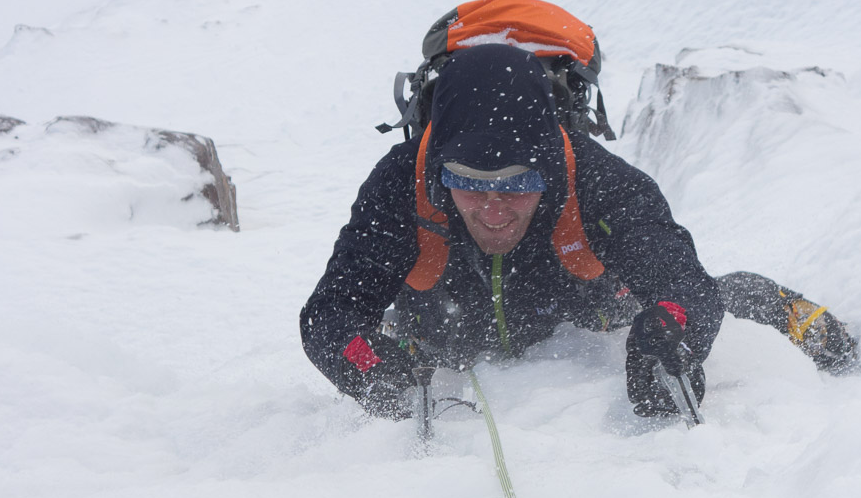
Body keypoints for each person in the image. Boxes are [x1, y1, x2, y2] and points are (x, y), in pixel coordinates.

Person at [301, 43, 725, 419]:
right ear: (442, 172)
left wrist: (671, 332)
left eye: (518, 184)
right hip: (436, 341)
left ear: (548, 169)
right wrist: (367, 366)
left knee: (728, 294)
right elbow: (331, 313)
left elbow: (685, 284)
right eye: (468, 182)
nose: (493, 210)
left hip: (597, 327)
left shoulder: (598, 180)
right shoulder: (402, 181)